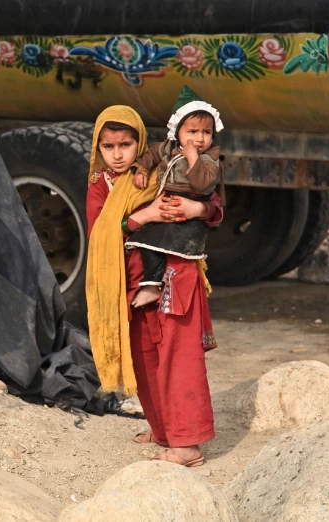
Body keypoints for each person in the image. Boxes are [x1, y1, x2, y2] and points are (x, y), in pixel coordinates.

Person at [85, 105, 222, 467]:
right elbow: (99, 234)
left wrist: (199, 212)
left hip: (174, 275)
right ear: (97, 148)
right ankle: (164, 431)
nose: (117, 155)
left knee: (178, 356)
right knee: (145, 357)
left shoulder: (161, 170)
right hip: (128, 285)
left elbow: (213, 203)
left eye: (126, 145)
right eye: (108, 147)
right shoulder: (100, 185)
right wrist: (139, 218)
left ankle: (188, 445)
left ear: (140, 143)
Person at [126, 86, 225, 308]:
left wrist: (193, 159)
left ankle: (166, 291)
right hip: (166, 203)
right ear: (177, 132)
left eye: (206, 132)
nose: (199, 139)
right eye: (192, 132)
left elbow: (203, 184)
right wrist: (141, 169)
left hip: (191, 209)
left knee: (175, 252)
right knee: (147, 240)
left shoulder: (209, 159)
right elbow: (152, 154)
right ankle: (152, 285)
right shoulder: (169, 148)